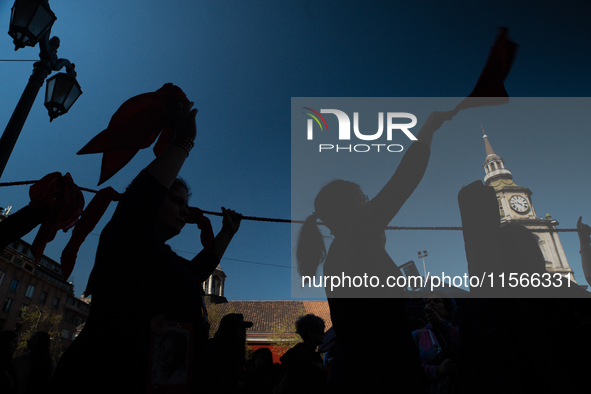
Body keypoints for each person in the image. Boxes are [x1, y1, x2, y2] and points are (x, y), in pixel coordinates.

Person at [49, 95, 243, 393]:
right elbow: (140, 198)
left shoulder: (162, 257)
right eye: (176, 201)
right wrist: (184, 142)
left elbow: (196, 272)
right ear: (152, 203)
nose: (184, 211)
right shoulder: (128, 234)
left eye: (185, 204)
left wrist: (227, 234)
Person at [296, 111, 453, 393]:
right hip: (380, 374)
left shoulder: (344, 250)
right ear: (344, 210)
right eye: (363, 200)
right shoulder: (355, 234)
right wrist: (429, 128)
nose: (369, 205)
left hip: (362, 372)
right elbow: (404, 179)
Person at [412, 293, 460, 394]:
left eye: (437, 301)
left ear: (447, 309)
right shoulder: (417, 335)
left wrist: (441, 323)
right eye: (428, 302)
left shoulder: (456, 331)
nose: (431, 304)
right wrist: (436, 370)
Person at [273, 314, 326, 394]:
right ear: (311, 334)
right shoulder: (306, 357)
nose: (324, 334)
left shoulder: (294, 355)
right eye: (321, 331)